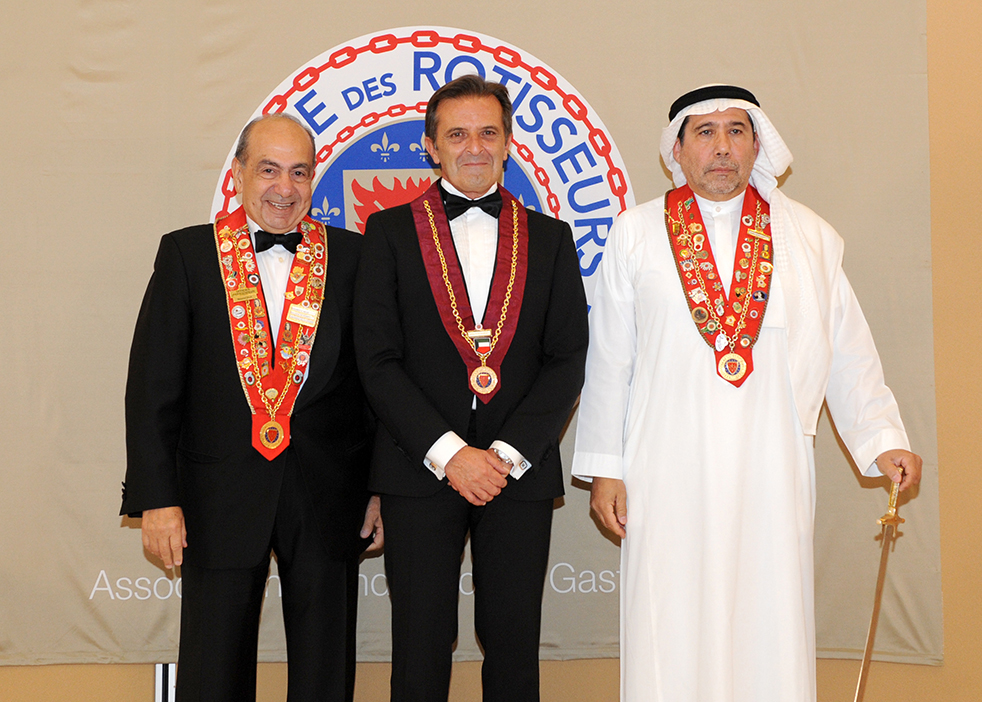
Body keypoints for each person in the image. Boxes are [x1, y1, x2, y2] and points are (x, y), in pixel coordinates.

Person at [571, 85, 923, 702]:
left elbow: (848, 351)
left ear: (757, 145)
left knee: (770, 619)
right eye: (704, 133)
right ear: (677, 150)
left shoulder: (809, 236)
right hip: (665, 467)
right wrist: (605, 468)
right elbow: (609, 359)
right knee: (669, 620)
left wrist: (882, 438)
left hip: (772, 467)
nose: (721, 147)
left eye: (736, 131)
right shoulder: (635, 232)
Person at [120, 113, 381, 702]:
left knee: (325, 670)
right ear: (238, 173)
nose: (284, 188)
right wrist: (158, 499)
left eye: (299, 172)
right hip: (217, 494)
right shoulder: (187, 254)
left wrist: (379, 489)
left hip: (329, 493)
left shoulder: (352, 256)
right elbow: (153, 387)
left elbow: (375, 384)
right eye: (268, 170)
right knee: (213, 668)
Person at [354, 74, 589, 702]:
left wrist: (505, 456)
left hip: (518, 473)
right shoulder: (388, 233)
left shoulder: (551, 238)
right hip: (418, 468)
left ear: (509, 143)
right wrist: (451, 454)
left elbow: (567, 359)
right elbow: (377, 361)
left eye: (488, 132)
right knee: (420, 644)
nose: (475, 147)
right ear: (432, 147)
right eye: (457, 135)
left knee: (513, 643)